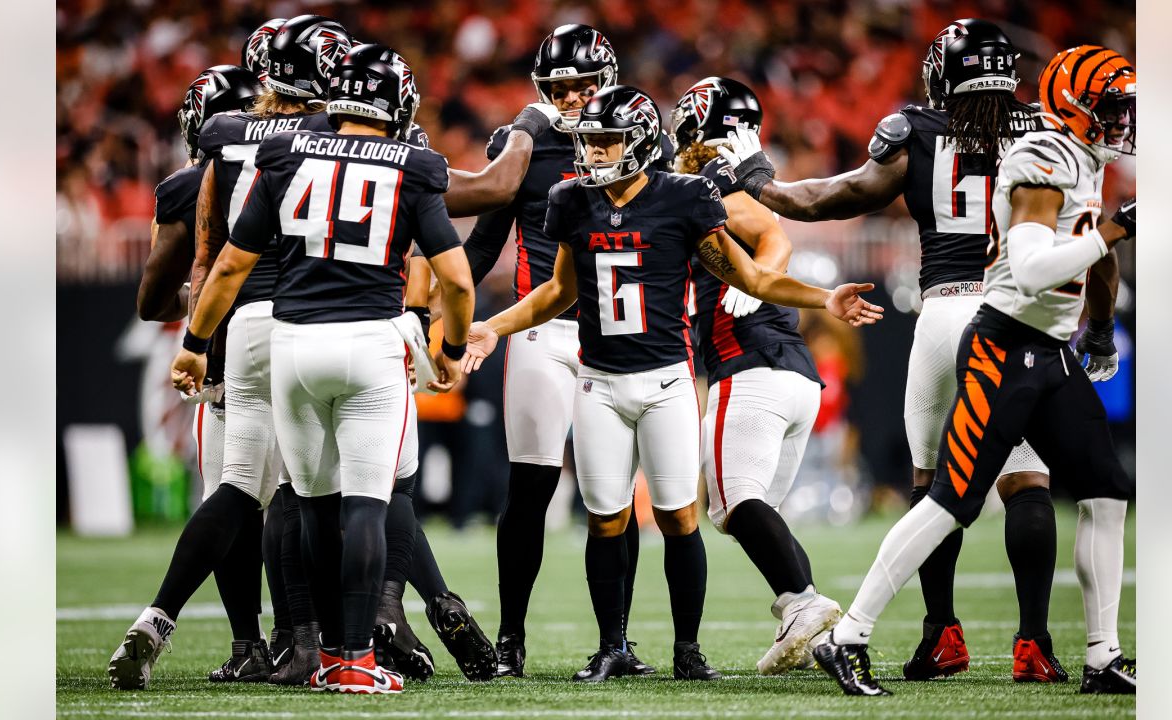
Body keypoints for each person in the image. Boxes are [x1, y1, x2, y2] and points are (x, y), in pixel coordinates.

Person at [714, 19, 1130, 682]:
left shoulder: (917, 132)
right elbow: (1095, 249)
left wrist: (756, 177)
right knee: (1027, 482)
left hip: (946, 315)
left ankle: (940, 634)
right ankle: (1033, 642)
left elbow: (832, 196)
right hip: (1014, 313)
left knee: (933, 483)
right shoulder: (1051, 137)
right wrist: (1101, 326)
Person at [460, 85, 883, 683]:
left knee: (682, 516)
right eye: (589, 142)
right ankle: (611, 647)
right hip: (599, 381)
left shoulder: (686, 197)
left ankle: (689, 652)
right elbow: (559, 292)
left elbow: (754, 276)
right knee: (605, 518)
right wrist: (492, 328)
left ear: (636, 142)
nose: (593, 153)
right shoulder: (570, 200)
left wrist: (824, 299)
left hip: (666, 378)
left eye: (605, 141)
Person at [171, 42, 477, 695]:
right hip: (371, 343)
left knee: (310, 507)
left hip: (292, 344)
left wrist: (196, 343)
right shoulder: (412, 162)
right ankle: (355, 662)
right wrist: (449, 352)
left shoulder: (284, 153)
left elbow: (228, 264)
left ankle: (321, 651)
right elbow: (454, 275)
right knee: (369, 500)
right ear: (395, 102)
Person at [460, 24, 672, 677]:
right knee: (530, 486)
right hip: (541, 333)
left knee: (613, 495)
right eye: (560, 87)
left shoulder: (644, 142)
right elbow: (483, 243)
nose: (574, 97)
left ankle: (618, 640)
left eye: (583, 84)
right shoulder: (522, 147)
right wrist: (449, 310)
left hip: (617, 334)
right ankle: (510, 639)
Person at [668, 76, 843, 675]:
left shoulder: (704, 184)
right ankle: (814, 626)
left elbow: (771, 234)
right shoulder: (739, 175)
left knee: (732, 504)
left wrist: (757, 278)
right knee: (756, 508)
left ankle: (803, 604)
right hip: (794, 374)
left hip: (748, 368)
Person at [109, 63, 265, 690]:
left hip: (222, 349)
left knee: (234, 490)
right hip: (305, 336)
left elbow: (153, 299)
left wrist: (198, 304)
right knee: (319, 498)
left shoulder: (185, 184)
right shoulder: (306, 159)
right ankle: (333, 641)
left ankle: (247, 641)